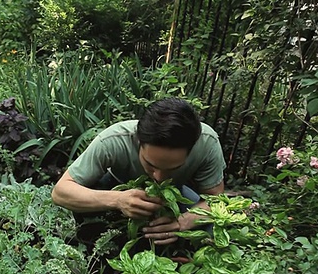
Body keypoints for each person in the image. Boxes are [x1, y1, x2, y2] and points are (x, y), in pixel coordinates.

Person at [51, 97, 226, 245]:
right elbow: (60, 192)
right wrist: (117, 200)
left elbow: (216, 198)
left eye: (173, 168)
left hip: (174, 193)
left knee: (212, 226)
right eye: (151, 165)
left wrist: (183, 221)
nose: (158, 177)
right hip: (115, 184)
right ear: (138, 141)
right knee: (88, 218)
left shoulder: (207, 144)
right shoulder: (114, 139)